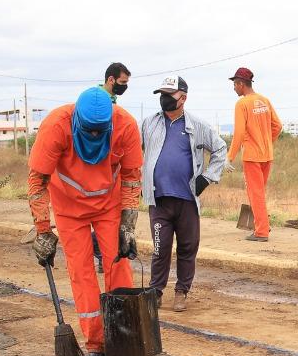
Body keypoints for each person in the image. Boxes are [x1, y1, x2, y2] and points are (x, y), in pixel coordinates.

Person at [27, 86, 142, 356]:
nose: (93, 138)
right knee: (82, 273)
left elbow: (131, 178)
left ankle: (123, 338)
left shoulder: (126, 125)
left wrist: (128, 224)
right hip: (69, 210)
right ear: (77, 121)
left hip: (109, 207)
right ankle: (96, 345)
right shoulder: (55, 125)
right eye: (88, 132)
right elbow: (37, 180)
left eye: (98, 133)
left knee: (119, 267)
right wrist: (42, 230)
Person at [140, 75, 228, 311]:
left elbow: (220, 149)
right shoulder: (149, 123)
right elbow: (135, 151)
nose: (165, 99)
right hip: (158, 200)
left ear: (183, 98)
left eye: (169, 95)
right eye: (162, 95)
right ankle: (155, 291)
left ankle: (181, 292)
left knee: (188, 247)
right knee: (160, 248)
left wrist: (207, 177)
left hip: (187, 200)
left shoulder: (197, 126)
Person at [226, 67, 282, 242]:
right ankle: (262, 223)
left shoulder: (242, 104)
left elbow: (240, 132)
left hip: (252, 156)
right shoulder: (264, 101)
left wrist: (230, 157)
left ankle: (261, 232)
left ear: (241, 84)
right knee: (258, 193)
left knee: (255, 193)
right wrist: (266, 141)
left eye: (235, 85)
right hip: (267, 154)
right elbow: (278, 126)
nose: (234, 88)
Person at [94, 61, 133, 273]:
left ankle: (102, 256)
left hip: (110, 167)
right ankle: (101, 254)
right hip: (101, 166)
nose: (124, 86)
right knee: (105, 218)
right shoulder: (100, 102)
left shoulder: (111, 99)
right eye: (122, 82)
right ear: (111, 80)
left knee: (109, 217)